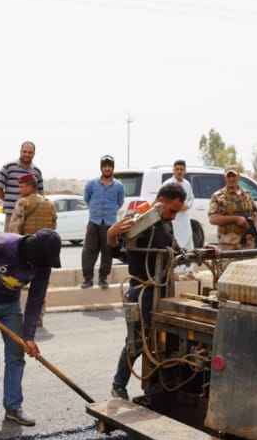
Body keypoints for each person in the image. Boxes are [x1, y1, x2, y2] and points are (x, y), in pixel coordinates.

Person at [0, 229, 61, 429]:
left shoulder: (43, 264)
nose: (43, 266)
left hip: (10, 306)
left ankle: (13, 408)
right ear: (33, 252)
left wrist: (29, 336)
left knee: (16, 354)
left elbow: (35, 299)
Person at [107, 182, 188, 400]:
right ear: (161, 202)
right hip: (141, 291)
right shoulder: (139, 220)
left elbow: (177, 251)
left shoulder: (165, 223)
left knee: (164, 340)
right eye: (172, 211)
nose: (173, 216)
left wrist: (195, 253)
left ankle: (159, 388)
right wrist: (112, 235)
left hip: (163, 291)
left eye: (176, 213)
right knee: (136, 341)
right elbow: (119, 250)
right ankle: (118, 386)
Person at [81, 155, 125, 289]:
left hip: (110, 224)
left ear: (113, 168)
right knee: (89, 251)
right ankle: (87, 279)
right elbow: (87, 199)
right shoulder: (92, 184)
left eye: (109, 166)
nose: (107, 168)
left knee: (108, 252)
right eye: (104, 166)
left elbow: (120, 202)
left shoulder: (119, 186)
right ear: (101, 168)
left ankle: (103, 278)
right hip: (94, 222)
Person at [208, 166, 257, 249]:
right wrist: (236, 219)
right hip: (228, 243)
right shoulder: (218, 196)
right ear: (225, 177)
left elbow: (255, 213)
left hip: (247, 243)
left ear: (238, 176)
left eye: (234, 176)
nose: (231, 179)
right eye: (229, 176)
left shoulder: (247, 194)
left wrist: (252, 230)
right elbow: (212, 219)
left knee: (248, 262)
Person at [0, 141, 43, 224]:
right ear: (20, 152)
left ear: (34, 154)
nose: (27, 154)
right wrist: (9, 201)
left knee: (29, 237)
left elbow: (40, 194)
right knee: (11, 237)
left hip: (31, 214)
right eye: (24, 151)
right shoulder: (8, 167)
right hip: (12, 213)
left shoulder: (36, 171)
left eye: (30, 152)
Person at [164, 160, 195, 249]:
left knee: (187, 242)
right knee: (175, 243)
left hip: (184, 218)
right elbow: (163, 200)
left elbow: (191, 198)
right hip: (173, 219)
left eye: (181, 169)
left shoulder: (187, 184)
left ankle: (186, 262)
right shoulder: (168, 184)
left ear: (185, 171)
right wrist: (176, 206)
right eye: (177, 169)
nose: (179, 171)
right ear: (173, 170)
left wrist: (187, 206)